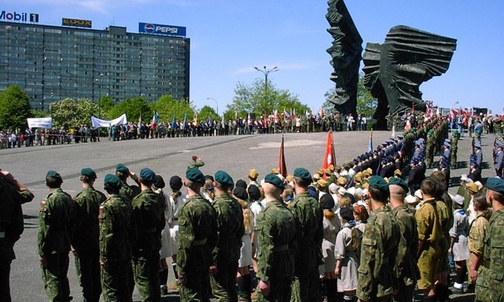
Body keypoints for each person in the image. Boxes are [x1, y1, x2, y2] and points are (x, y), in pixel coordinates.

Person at [255, 174, 298, 302]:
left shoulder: (266, 215)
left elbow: (266, 248)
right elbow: (294, 242)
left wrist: (264, 277)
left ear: (263, 190)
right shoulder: (288, 212)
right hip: (287, 263)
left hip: (274, 267)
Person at [356, 176, 400, 302]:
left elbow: (369, 259)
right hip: (388, 280)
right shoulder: (392, 217)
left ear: (369, 195)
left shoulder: (375, 222)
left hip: (375, 286)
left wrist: (362, 294)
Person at [177, 168, 218, 301]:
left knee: (191, 295)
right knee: (204, 292)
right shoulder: (207, 205)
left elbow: (185, 242)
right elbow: (213, 235)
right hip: (204, 253)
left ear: (187, 183)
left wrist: (181, 267)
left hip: (192, 258)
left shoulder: (188, 208)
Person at [38, 170, 74, 302]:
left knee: (52, 276)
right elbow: (72, 222)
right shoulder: (67, 198)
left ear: (47, 183)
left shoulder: (48, 200)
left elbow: (43, 228)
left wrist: (41, 250)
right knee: (63, 274)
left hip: (51, 243)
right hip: (64, 241)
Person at [72, 168, 107, 302]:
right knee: (97, 274)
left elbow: (74, 224)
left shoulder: (79, 199)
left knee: (85, 275)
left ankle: (88, 298)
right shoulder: (101, 196)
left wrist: (73, 243)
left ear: (81, 179)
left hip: (83, 243)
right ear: (93, 180)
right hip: (98, 241)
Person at [288, 167, 323, 302]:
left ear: (295, 182)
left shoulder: (295, 205)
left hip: (300, 252)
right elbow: (320, 232)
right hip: (313, 249)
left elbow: (293, 235)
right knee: (312, 290)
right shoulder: (315, 203)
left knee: (299, 291)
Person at [131, 168, 166, 301]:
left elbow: (134, 227)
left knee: (143, 277)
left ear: (140, 180)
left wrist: (133, 246)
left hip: (142, 244)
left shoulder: (138, 200)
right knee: (154, 275)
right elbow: (161, 223)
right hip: (155, 241)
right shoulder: (158, 199)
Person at [99, 174, 135, 302]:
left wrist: (103, 256)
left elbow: (107, 234)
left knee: (110, 289)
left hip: (113, 253)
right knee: (124, 287)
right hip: (125, 250)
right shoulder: (126, 203)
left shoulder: (107, 206)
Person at [210, 170, 244, 302]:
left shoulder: (217, 205)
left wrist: (211, 258)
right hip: (233, 248)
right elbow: (241, 229)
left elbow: (214, 233)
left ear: (215, 184)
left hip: (220, 251)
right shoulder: (235, 204)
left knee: (220, 289)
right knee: (231, 286)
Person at [0, 170, 34, 301]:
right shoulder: (8, 189)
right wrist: (12, 180)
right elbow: (27, 194)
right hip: (2, 245)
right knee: (3, 288)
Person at [388, 177, 418, 302]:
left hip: (400, 275)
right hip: (407, 270)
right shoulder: (407, 213)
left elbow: (400, 251)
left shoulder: (399, 217)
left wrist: (394, 280)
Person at [475, 178, 504, 301]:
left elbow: (499, 264)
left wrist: (496, 296)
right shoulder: (497, 218)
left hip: (493, 288)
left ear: (490, 196)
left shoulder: (500, 224)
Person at [415, 178, 443, 302]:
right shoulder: (437, 205)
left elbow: (421, 236)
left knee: (425, 285)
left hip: (425, 249)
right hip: (435, 246)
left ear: (422, 192)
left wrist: (415, 253)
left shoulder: (425, 209)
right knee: (431, 281)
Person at [467, 190, 491, 292]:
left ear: (476, 205)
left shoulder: (479, 223)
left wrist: (473, 268)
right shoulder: (486, 218)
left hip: (480, 264)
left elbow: (477, 248)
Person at [152, 175, 173, 296]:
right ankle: (163, 285)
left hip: (156, 228)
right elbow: (170, 213)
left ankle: (158, 284)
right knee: (164, 259)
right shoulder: (166, 197)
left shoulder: (153, 197)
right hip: (165, 226)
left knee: (157, 259)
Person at [318, 194, 341, 302]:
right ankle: (334, 295)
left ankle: (329, 296)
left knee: (326, 273)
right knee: (333, 273)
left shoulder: (322, 217)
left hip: (325, 243)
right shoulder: (336, 216)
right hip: (334, 242)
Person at [335, 207, 360, 302]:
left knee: (348, 288)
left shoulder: (342, 233)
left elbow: (340, 252)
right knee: (353, 287)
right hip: (355, 260)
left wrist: (337, 267)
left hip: (346, 262)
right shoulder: (355, 230)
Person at [448, 194, 470, 294]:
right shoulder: (464, 213)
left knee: (459, 263)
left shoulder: (455, 215)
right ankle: (459, 283)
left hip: (457, 240)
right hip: (464, 236)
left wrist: (450, 246)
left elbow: (453, 232)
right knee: (463, 261)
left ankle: (458, 284)